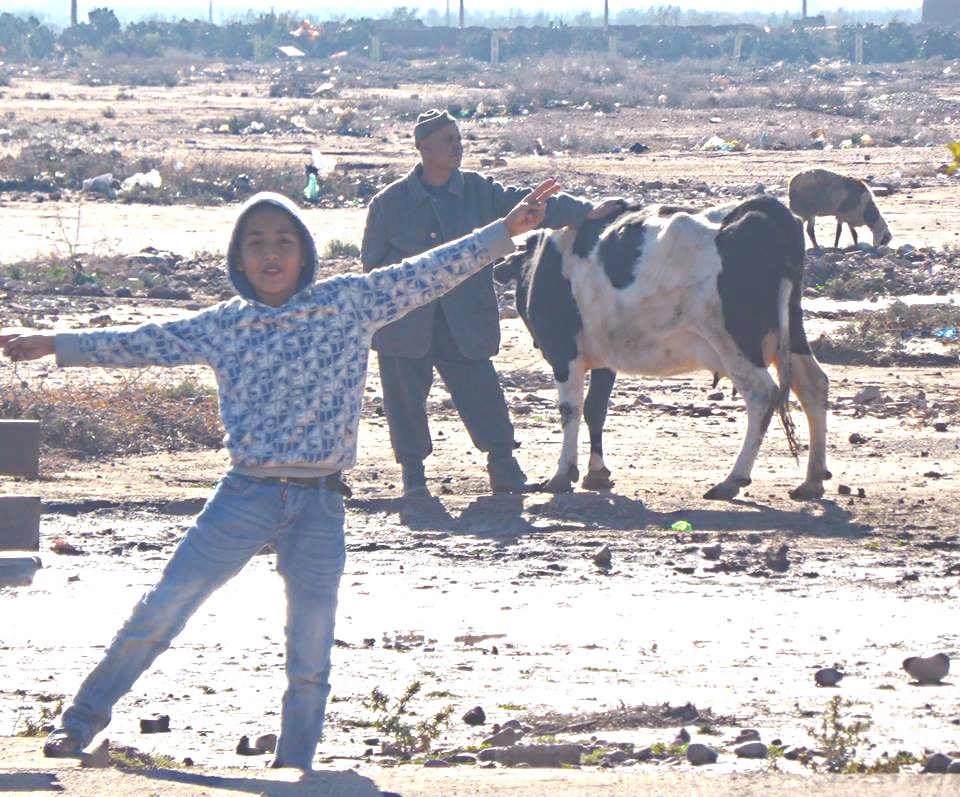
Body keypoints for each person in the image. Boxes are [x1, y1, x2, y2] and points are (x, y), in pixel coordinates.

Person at [0, 179, 560, 769]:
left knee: (309, 650)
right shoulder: (224, 325)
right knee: (160, 611)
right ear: (239, 259)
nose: (271, 254)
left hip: (321, 504)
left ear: (305, 251)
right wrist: (54, 343)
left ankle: (296, 766)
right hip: (245, 495)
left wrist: (506, 231)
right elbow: (140, 341)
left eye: (283, 241)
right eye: (256, 243)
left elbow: (432, 271)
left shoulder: (349, 302)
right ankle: (80, 722)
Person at [362, 109, 620, 497]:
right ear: (423, 148)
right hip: (405, 325)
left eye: (459, 139)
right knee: (404, 402)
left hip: (463, 319)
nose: (457, 147)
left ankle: (504, 469)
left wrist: (583, 211)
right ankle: (413, 478)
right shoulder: (390, 203)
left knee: (482, 393)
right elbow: (373, 267)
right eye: (448, 141)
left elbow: (529, 206)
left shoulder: (478, 191)